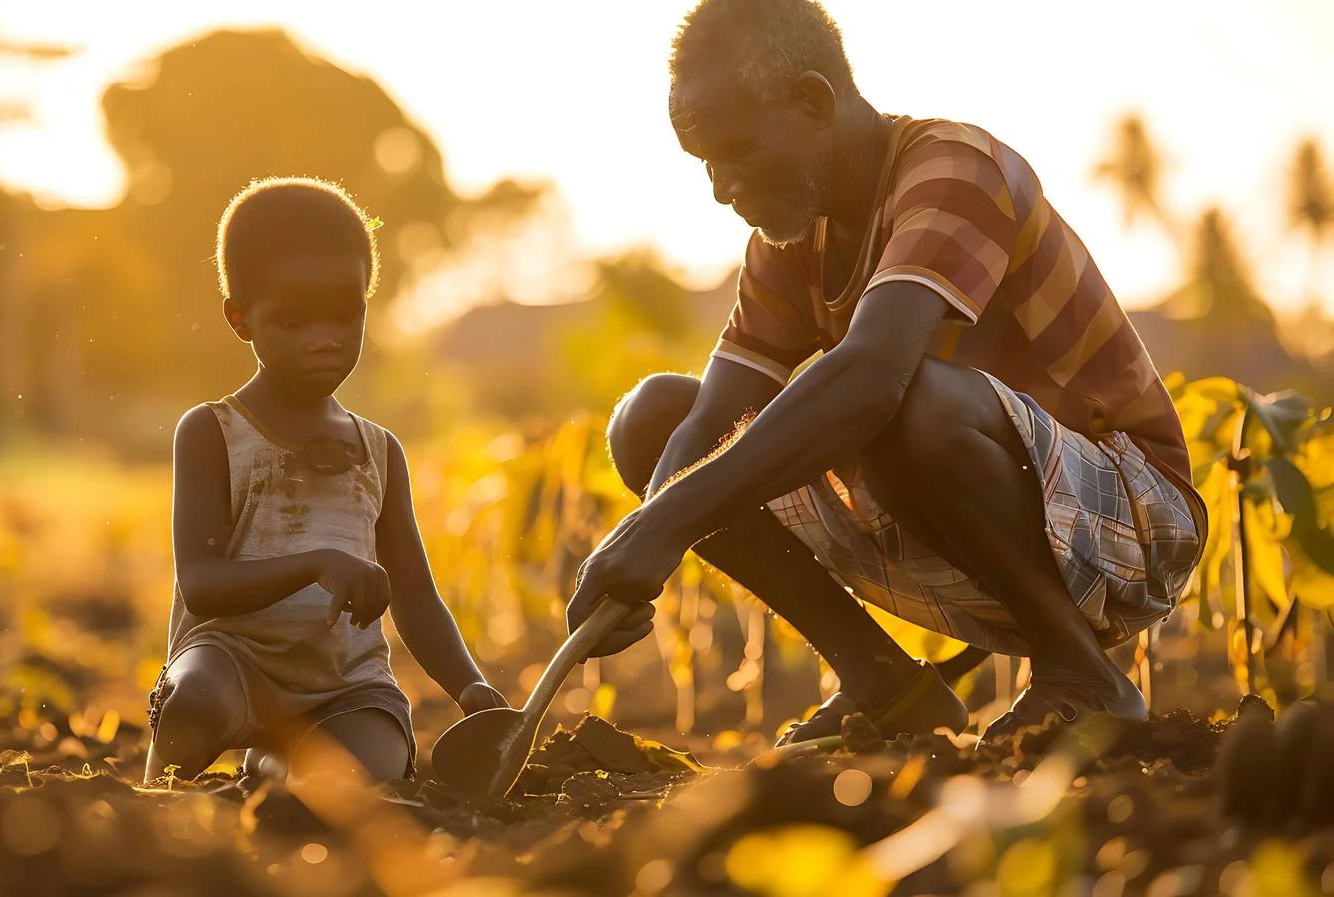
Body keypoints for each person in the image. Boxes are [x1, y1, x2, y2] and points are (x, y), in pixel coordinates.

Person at [566, 0, 1206, 747]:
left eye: (736, 150)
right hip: (974, 527)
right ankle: (883, 683)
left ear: (814, 100)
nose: (720, 186)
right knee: (654, 418)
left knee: (897, 394)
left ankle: (1084, 673)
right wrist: (646, 529)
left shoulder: (958, 168)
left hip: (1132, 526)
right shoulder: (792, 240)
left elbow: (873, 376)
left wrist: (667, 521)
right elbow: (711, 415)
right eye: (707, 163)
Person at [145, 178, 507, 784]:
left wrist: (471, 684)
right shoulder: (213, 432)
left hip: (345, 685)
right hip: (232, 664)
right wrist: (316, 564)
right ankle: (155, 794)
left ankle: (276, 765)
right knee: (194, 704)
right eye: (292, 322)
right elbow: (203, 585)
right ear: (241, 319)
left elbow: (416, 597)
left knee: (374, 773)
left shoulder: (380, 451)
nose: (325, 339)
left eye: (346, 315)